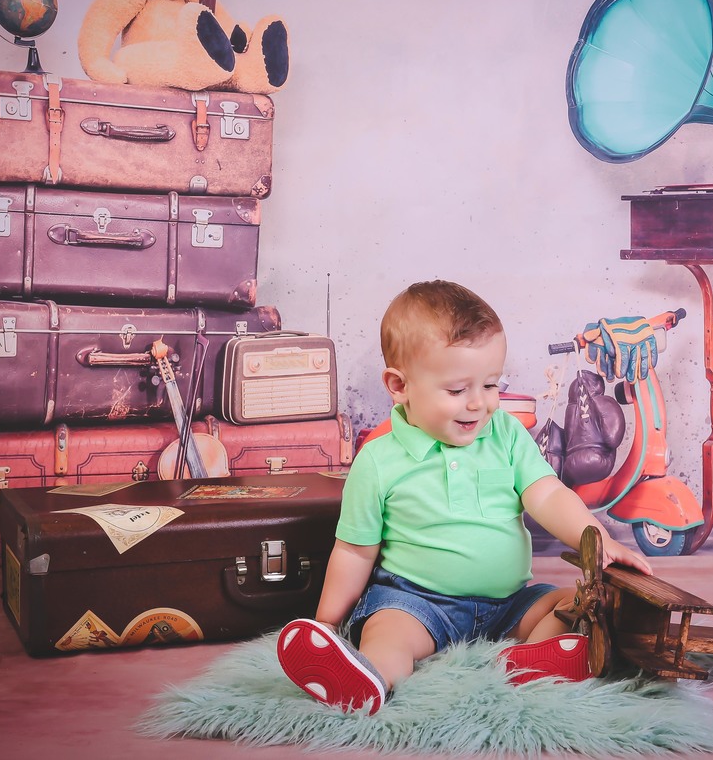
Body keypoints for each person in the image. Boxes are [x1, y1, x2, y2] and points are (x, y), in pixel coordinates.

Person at [277, 279, 652, 714]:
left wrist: (597, 537)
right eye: (457, 390)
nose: (480, 404)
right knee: (386, 632)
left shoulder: (506, 434)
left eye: (491, 384)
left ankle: (528, 661)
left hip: (509, 603)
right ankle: (365, 678)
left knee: (572, 605)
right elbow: (356, 551)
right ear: (399, 386)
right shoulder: (378, 461)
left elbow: (548, 495)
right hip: (417, 603)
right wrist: (328, 622)